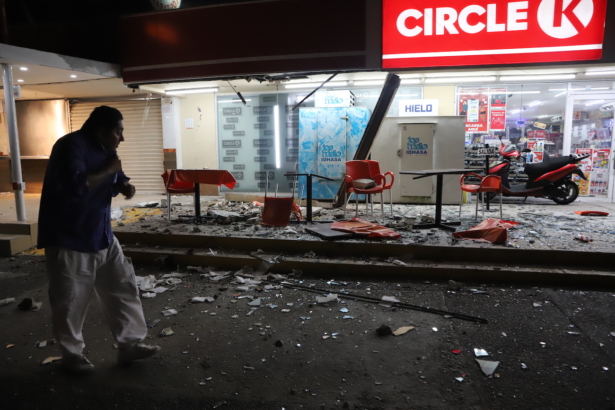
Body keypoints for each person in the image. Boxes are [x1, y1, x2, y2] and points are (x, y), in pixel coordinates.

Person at [38, 106, 160, 373]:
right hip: (70, 239)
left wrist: (123, 184)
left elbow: (116, 176)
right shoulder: (70, 147)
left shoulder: (107, 149)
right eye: (119, 132)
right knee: (70, 301)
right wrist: (108, 171)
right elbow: (75, 186)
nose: (122, 138)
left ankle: (130, 345)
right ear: (102, 131)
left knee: (123, 288)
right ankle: (72, 357)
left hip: (102, 235)